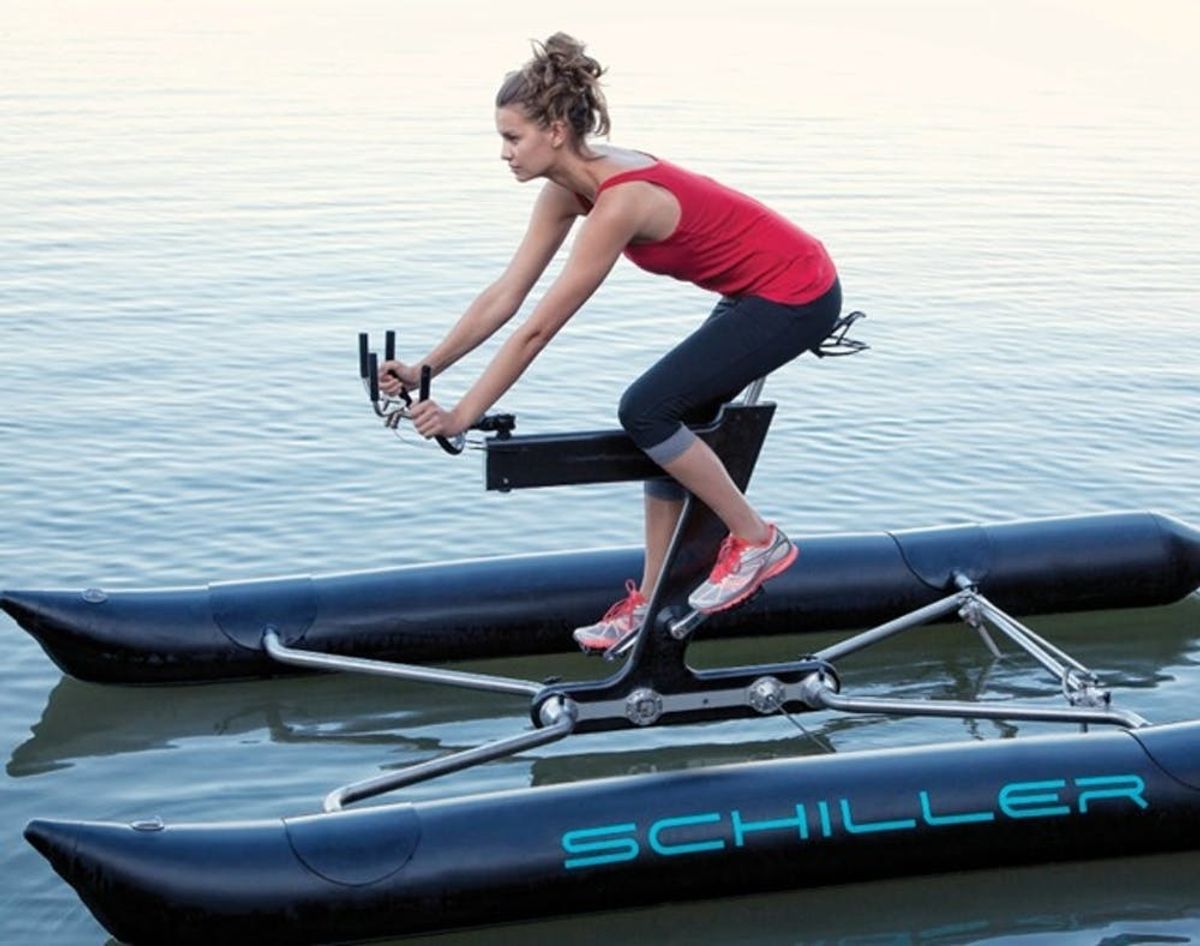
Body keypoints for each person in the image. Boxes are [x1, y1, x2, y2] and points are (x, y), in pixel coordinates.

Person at [381, 32, 841, 653]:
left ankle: (758, 541)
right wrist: (423, 368)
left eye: (512, 138)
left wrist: (465, 412)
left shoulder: (620, 202)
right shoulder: (565, 191)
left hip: (798, 292)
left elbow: (539, 328)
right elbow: (507, 294)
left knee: (646, 409)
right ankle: (650, 602)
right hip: (752, 291)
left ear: (556, 133)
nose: (503, 153)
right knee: (667, 420)